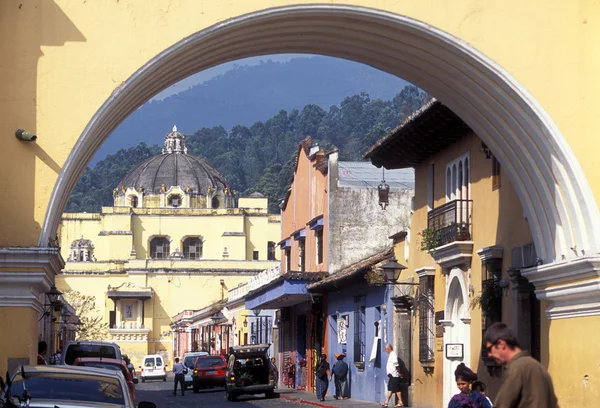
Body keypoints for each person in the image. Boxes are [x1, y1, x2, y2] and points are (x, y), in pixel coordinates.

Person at [484, 322, 558, 408]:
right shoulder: (540, 368)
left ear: (501, 344)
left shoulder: (517, 368)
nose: (489, 354)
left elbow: (503, 404)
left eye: (489, 349)